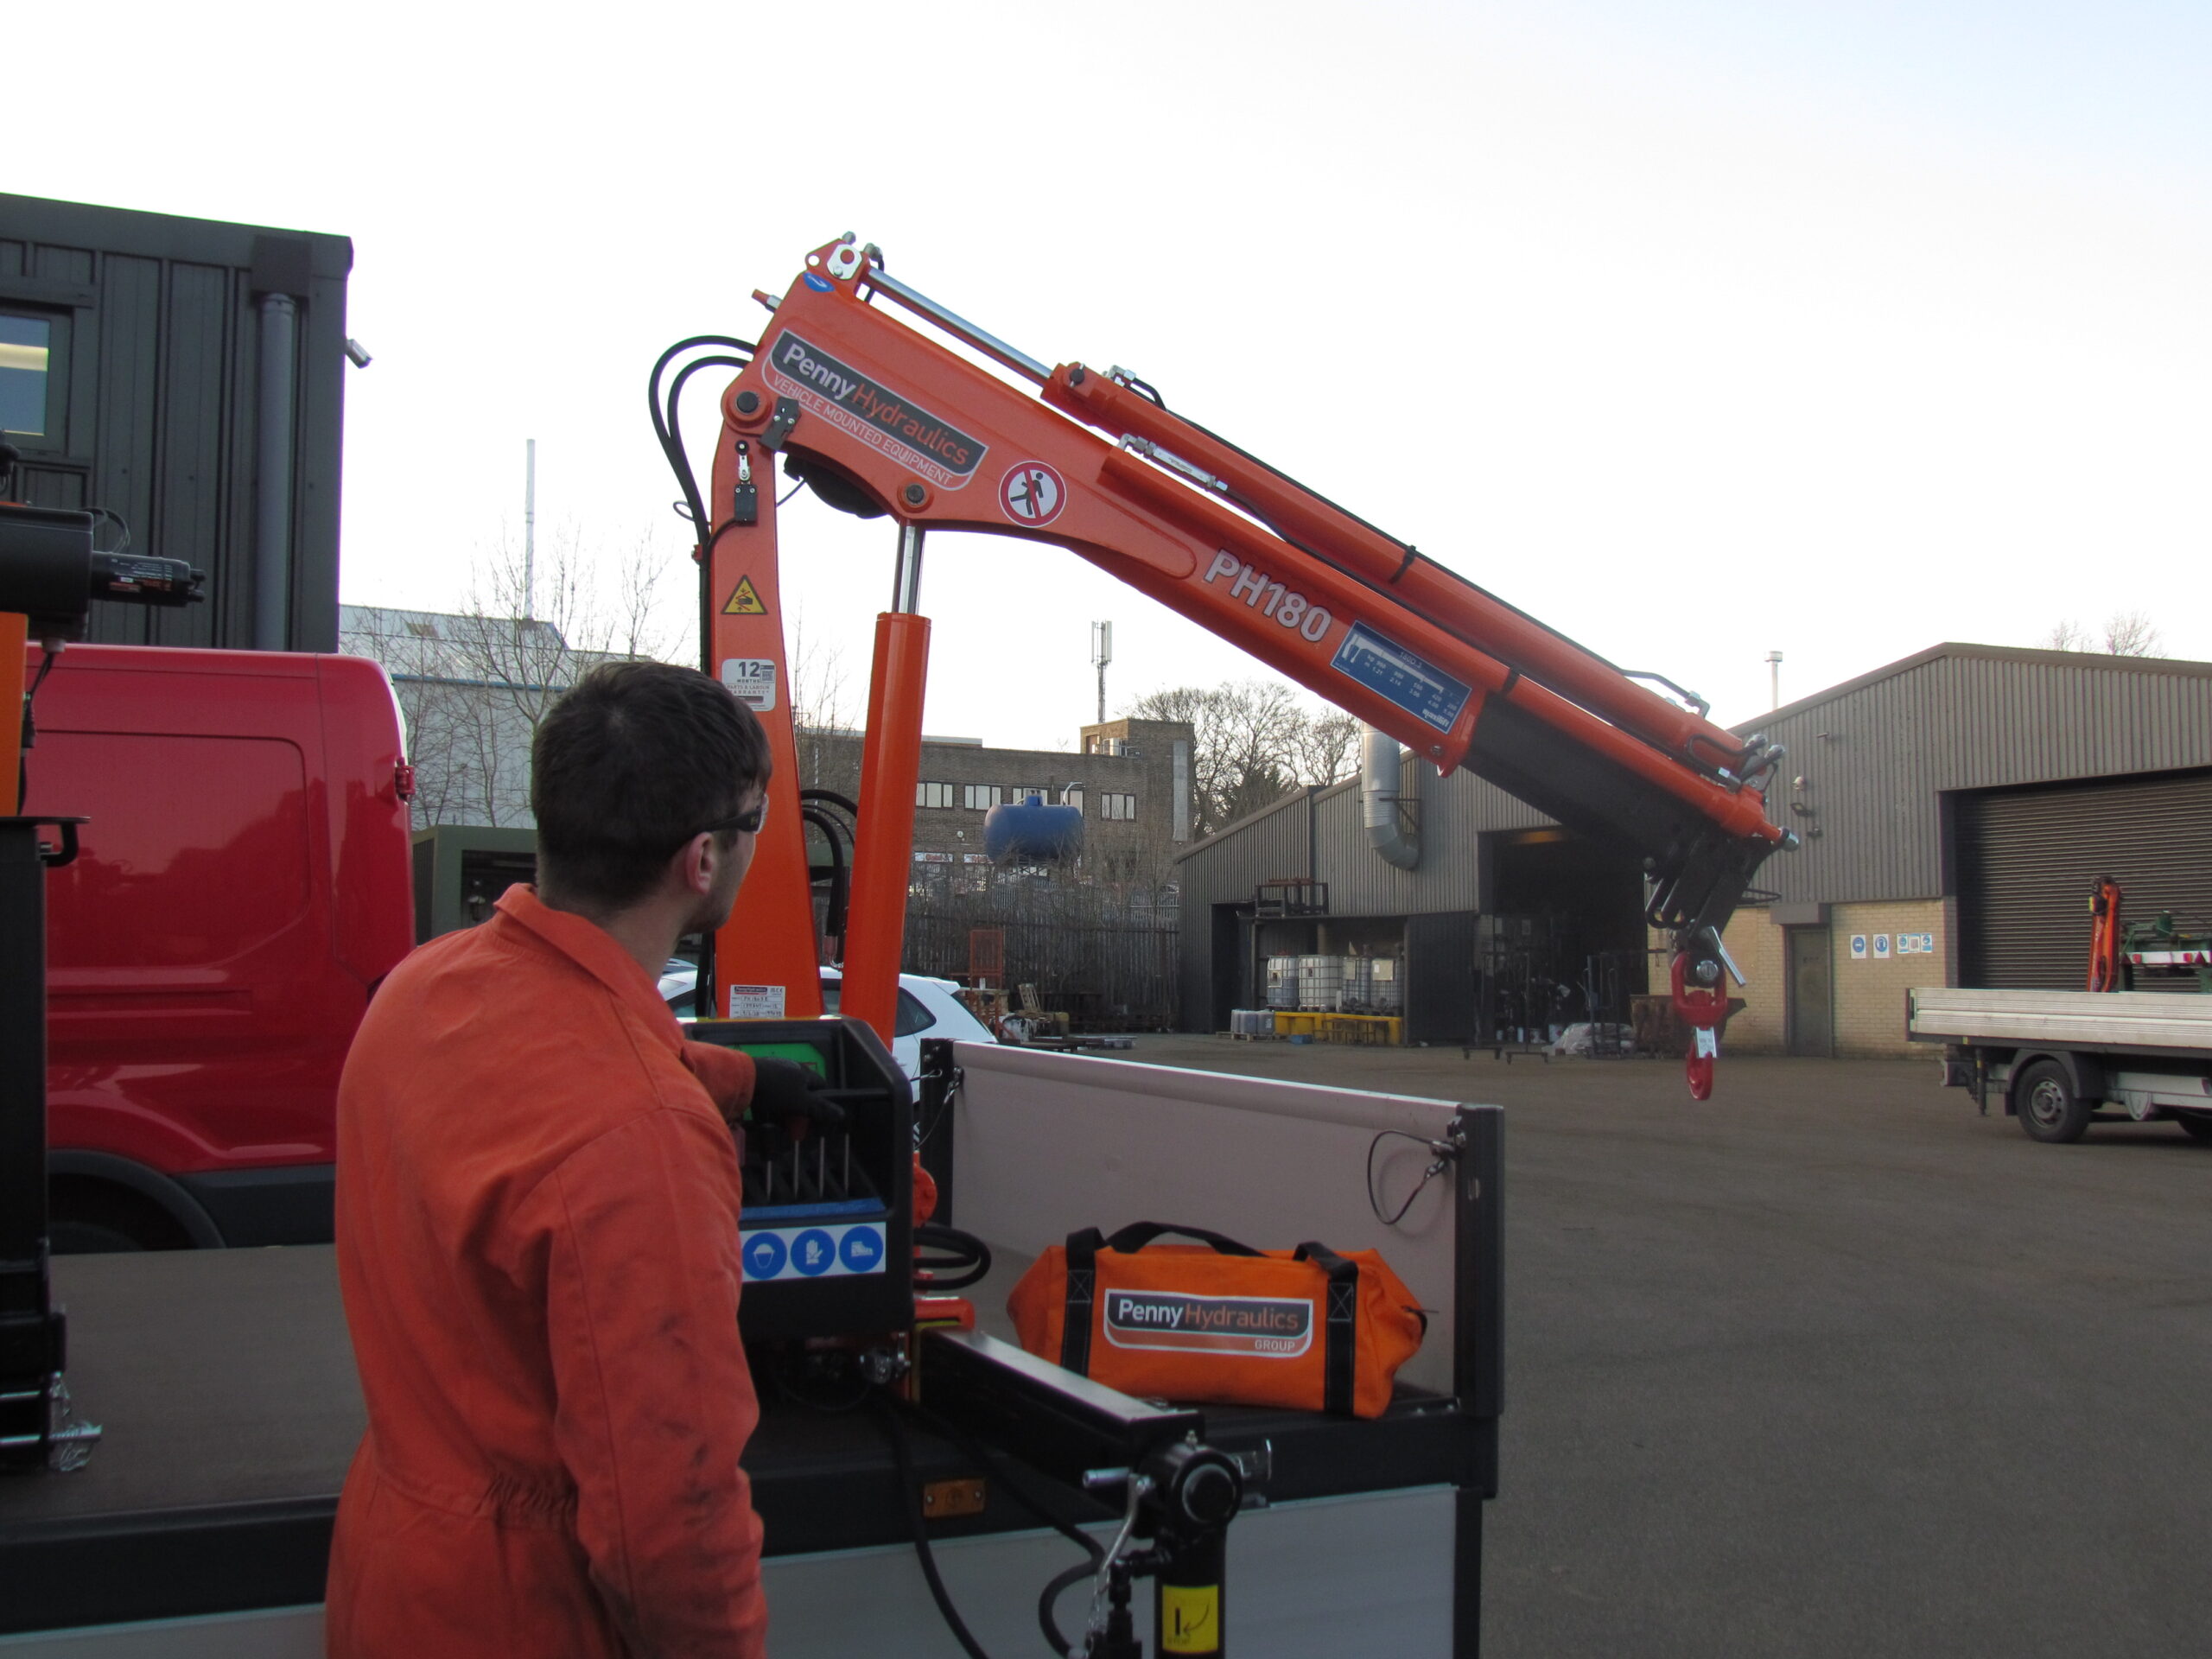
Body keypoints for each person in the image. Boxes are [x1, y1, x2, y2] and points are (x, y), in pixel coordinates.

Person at [327, 660, 818, 1658]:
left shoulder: (420, 992)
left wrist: (740, 1079)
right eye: (757, 824)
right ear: (702, 860)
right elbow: (671, 1532)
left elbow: (553, 1059)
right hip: (528, 1617)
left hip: (394, 1574)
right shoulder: (641, 1140)